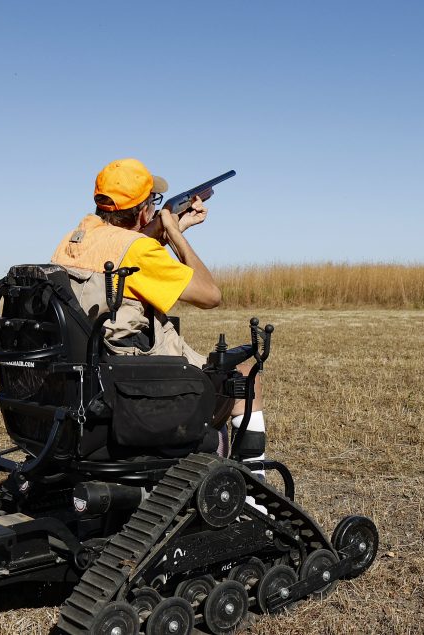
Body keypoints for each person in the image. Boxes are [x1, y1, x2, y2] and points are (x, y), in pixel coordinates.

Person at [50, 158, 266, 456]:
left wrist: (180, 224)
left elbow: (130, 260)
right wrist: (175, 235)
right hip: (135, 377)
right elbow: (210, 295)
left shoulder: (73, 240)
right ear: (144, 210)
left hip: (90, 372)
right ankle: (254, 491)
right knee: (243, 377)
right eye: (153, 200)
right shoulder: (138, 248)